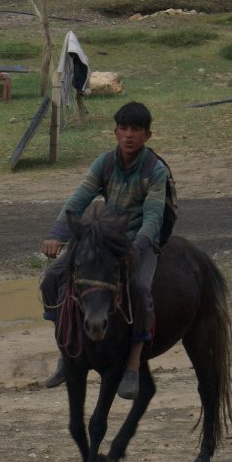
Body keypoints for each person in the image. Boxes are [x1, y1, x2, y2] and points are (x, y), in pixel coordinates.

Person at [39, 101, 168, 400]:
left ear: (148, 135)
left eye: (136, 129)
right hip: (103, 236)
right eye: (123, 129)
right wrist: (56, 234)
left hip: (137, 240)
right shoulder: (104, 163)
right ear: (115, 132)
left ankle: (133, 366)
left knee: (140, 290)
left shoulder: (155, 170)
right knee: (52, 278)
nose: (129, 135)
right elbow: (78, 198)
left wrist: (137, 247)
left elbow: (153, 216)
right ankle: (66, 352)